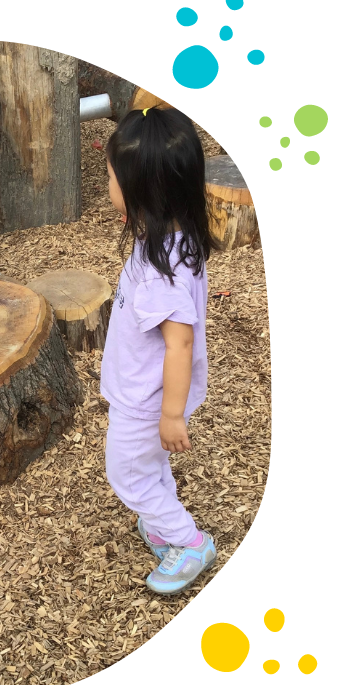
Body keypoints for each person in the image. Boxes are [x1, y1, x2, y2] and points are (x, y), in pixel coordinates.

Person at [101, 106, 219, 595]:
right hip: (150, 392)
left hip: (146, 401)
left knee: (128, 473)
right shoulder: (175, 237)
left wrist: (170, 415)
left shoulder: (159, 273)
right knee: (149, 466)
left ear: (139, 192)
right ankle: (163, 520)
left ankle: (187, 542)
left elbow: (180, 341)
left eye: (109, 176)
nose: (105, 184)